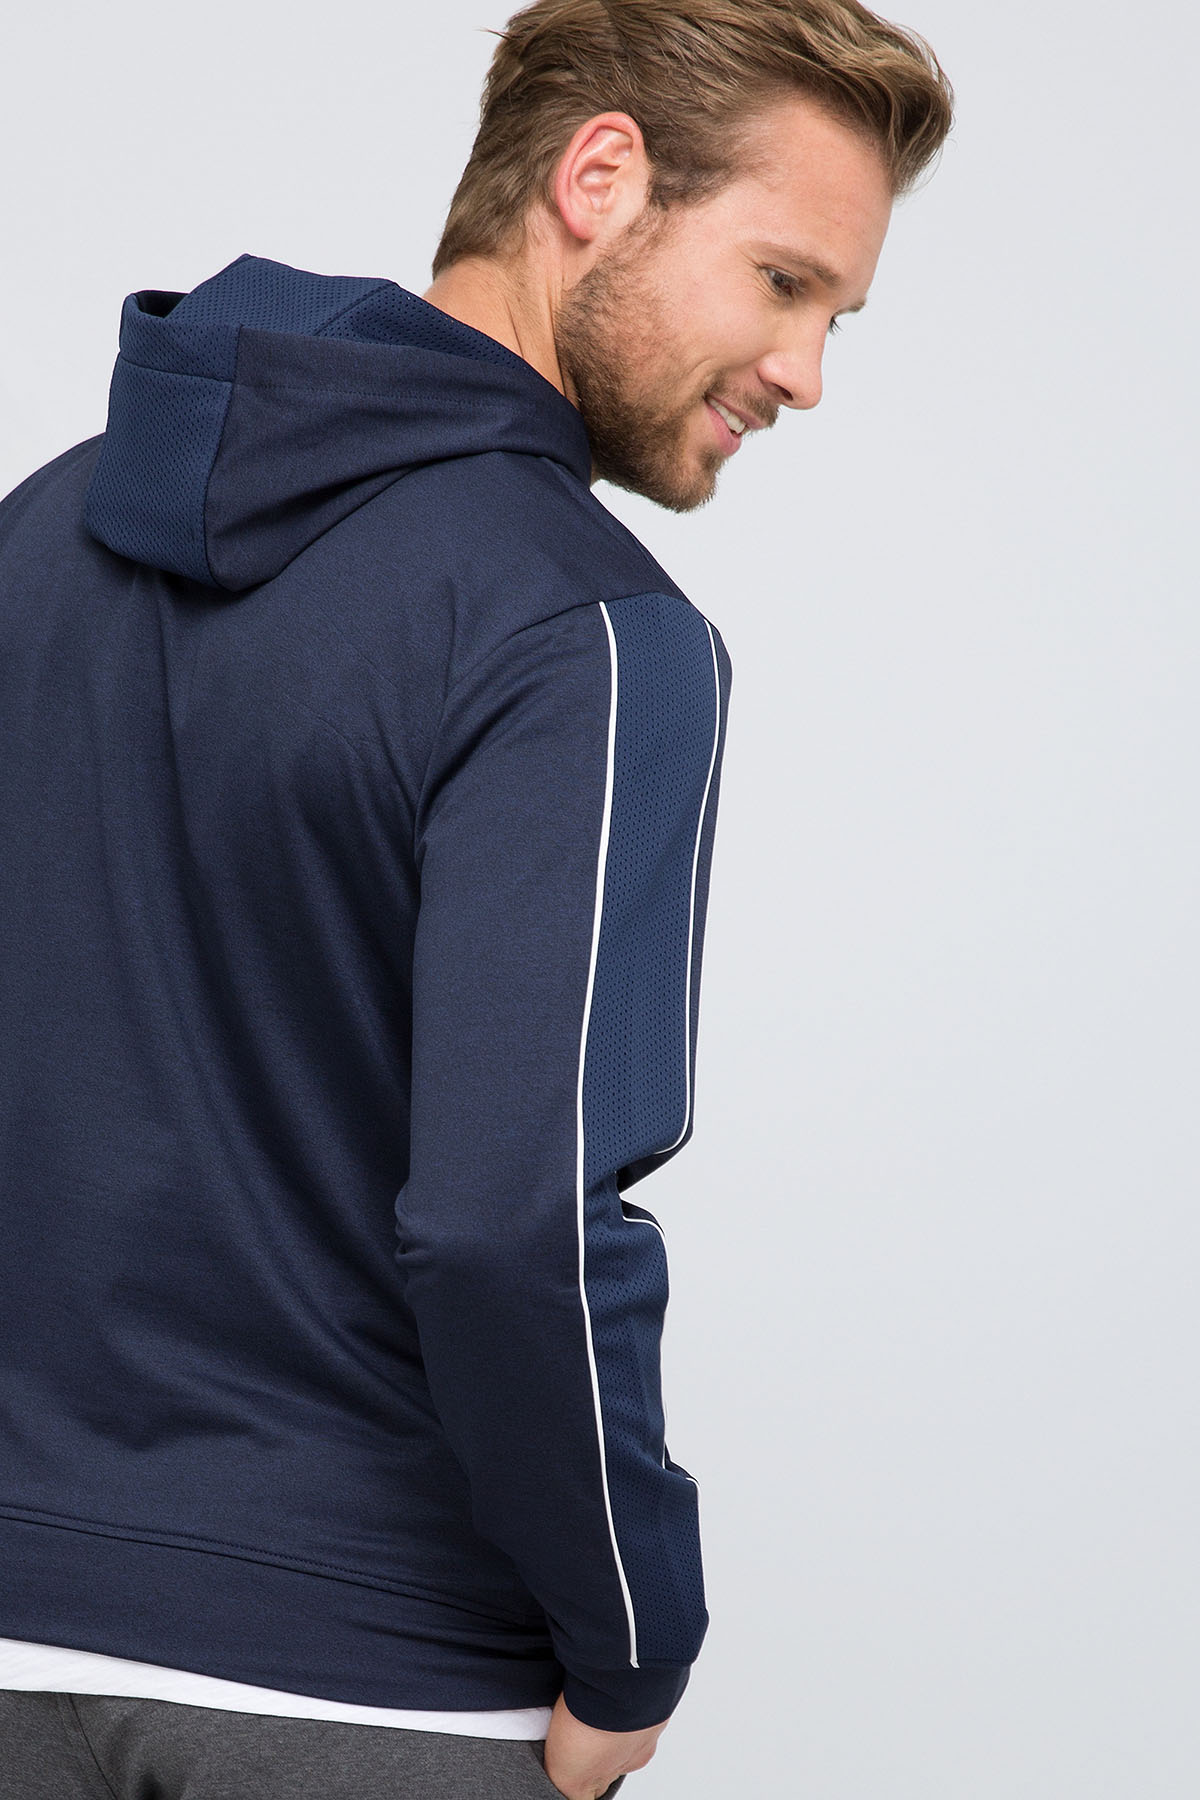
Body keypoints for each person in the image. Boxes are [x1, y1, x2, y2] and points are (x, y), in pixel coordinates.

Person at [0, 2, 952, 1795]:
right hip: (364, 1683)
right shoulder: (583, 629)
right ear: (600, 178)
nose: (806, 372)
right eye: (784, 283)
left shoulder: (41, 536)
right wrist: (632, 1635)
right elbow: (515, 1223)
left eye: (836, 317)